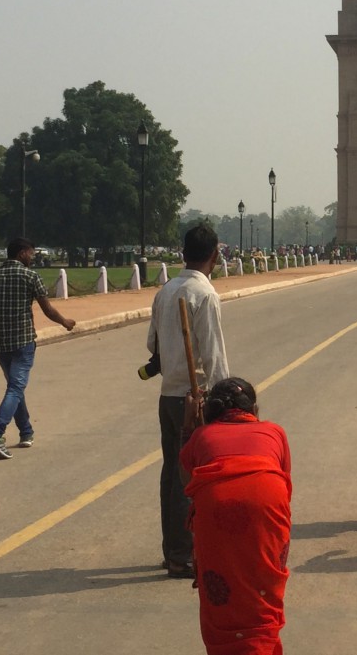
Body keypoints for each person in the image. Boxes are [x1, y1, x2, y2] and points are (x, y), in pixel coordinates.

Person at [180, 377, 291, 655]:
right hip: (268, 498)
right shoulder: (274, 431)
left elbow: (187, 484)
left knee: (224, 590)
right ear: (253, 409)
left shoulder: (200, 436)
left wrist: (188, 427)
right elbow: (285, 480)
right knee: (261, 586)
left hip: (215, 507)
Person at [147, 223, 230, 579]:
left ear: (183, 253)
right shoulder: (204, 294)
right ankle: (182, 554)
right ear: (215, 255)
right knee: (188, 477)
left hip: (169, 394)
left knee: (171, 473)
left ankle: (173, 548)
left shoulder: (167, 290)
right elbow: (213, 355)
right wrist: (227, 399)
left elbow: (153, 346)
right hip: (193, 399)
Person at [0, 238, 76, 460]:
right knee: (15, 387)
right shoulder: (31, 277)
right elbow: (47, 310)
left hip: (0, 343)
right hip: (23, 342)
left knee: (15, 386)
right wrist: (65, 322)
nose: (33, 257)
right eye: (31, 253)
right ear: (22, 253)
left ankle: (26, 431)